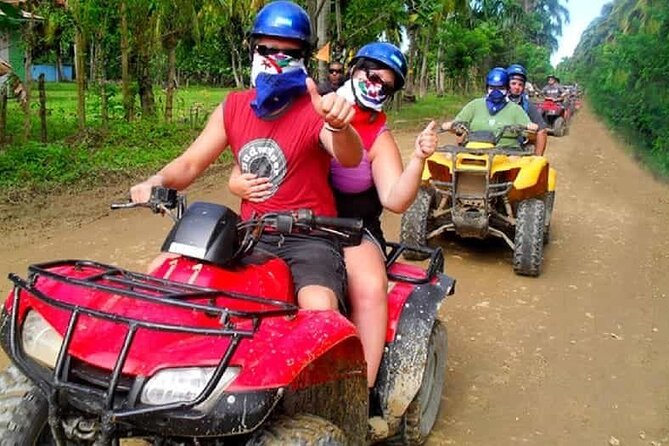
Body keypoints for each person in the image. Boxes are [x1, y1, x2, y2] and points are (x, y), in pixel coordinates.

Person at [229, 42, 438, 391]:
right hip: (288, 224)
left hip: (349, 229)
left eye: (386, 86)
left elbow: (395, 199)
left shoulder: (377, 136)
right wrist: (235, 181)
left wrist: (418, 158)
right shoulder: (308, 102)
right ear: (355, 70)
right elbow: (257, 147)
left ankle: (360, 393)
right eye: (372, 76)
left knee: (369, 289)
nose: (376, 87)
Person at [130, 1, 363, 312]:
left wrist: (339, 126)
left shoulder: (315, 108)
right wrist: (155, 181)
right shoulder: (234, 106)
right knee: (165, 269)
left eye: (289, 53)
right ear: (253, 50)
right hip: (250, 234)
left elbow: (349, 157)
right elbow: (190, 163)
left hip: (310, 237)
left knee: (317, 306)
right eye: (266, 49)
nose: (275, 60)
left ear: (303, 58)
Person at [442, 67, 538, 146]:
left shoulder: (516, 109)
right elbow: (457, 124)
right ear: (487, 88)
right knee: (447, 159)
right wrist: (451, 126)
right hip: (473, 150)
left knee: (521, 166)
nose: (496, 92)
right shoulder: (475, 105)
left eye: (501, 88)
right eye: (492, 88)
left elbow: (530, 134)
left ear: (507, 89)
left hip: (507, 153)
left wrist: (530, 128)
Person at [506, 64, 548, 155]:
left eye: (520, 84)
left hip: (516, 149)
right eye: (513, 83)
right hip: (491, 146)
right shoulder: (493, 101)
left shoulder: (527, 105)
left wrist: (538, 159)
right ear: (506, 83)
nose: (517, 87)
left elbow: (542, 130)